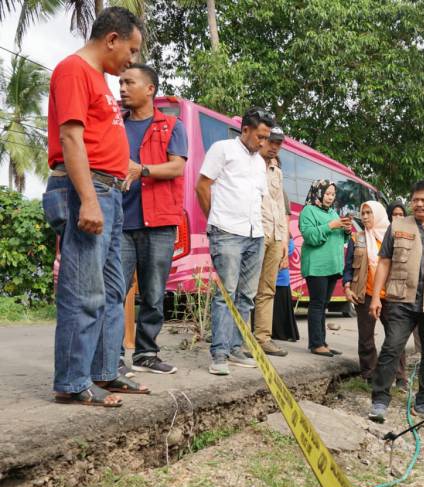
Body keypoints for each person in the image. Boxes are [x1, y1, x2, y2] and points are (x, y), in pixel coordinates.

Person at [44, 7, 148, 407]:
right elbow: (71, 138)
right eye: (131, 50)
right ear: (112, 40)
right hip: (85, 191)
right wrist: (88, 198)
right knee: (84, 291)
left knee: (111, 290)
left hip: (109, 192)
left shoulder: (99, 79)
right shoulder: (73, 70)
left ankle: (104, 372)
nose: (131, 61)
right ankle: (71, 381)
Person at [367, 180, 424, 424]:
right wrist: (376, 296)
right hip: (401, 299)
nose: (419, 204)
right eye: (416, 199)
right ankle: (379, 400)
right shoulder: (397, 226)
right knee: (391, 347)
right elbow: (384, 262)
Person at [117, 63, 188, 375]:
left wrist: (141, 169)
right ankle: (112, 355)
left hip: (158, 223)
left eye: (129, 82)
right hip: (119, 221)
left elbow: (176, 168)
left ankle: (146, 354)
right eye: (120, 82)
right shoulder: (114, 124)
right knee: (114, 291)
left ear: (149, 89)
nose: (121, 88)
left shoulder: (172, 126)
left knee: (154, 292)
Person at [195, 107, 274, 375]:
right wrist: (215, 221)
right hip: (227, 232)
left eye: (267, 138)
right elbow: (202, 186)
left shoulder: (260, 163)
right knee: (225, 294)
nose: (263, 143)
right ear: (246, 130)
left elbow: (259, 199)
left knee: (247, 296)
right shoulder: (223, 149)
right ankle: (218, 353)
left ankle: (236, 348)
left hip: (255, 234)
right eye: (260, 137)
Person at [342, 201, 407, 387]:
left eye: (369, 213)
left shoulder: (393, 236)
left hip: (391, 296)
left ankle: (400, 376)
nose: (364, 217)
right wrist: (347, 288)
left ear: (378, 214)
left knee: (395, 336)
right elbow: (347, 267)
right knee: (366, 337)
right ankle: (369, 374)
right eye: (362, 213)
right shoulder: (357, 238)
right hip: (365, 294)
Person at [299, 180, 351, 356]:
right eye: (327, 193)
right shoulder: (308, 211)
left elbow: (339, 240)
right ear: (318, 193)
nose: (330, 197)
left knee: (324, 305)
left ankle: (322, 342)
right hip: (316, 266)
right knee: (317, 304)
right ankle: (315, 344)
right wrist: (332, 226)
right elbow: (310, 237)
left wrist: (346, 230)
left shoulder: (333, 213)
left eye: (332, 194)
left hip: (332, 266)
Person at [253, 126, 290, 356]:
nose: (275, 146)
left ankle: (262, 338)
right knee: (246, 288)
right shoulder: (250, 164)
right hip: (255, 232)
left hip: (276, 235)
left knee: (268, 289)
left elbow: (279, 206)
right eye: (271, 141)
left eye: (278, 143)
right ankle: (240, 339)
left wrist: (284, 240)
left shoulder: (277, 170)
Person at [271, 234, 300, 342]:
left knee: (280, 308)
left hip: (281, 278)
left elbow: (290, 249)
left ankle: (281, 332)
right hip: (268, 277)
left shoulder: (287, 237)